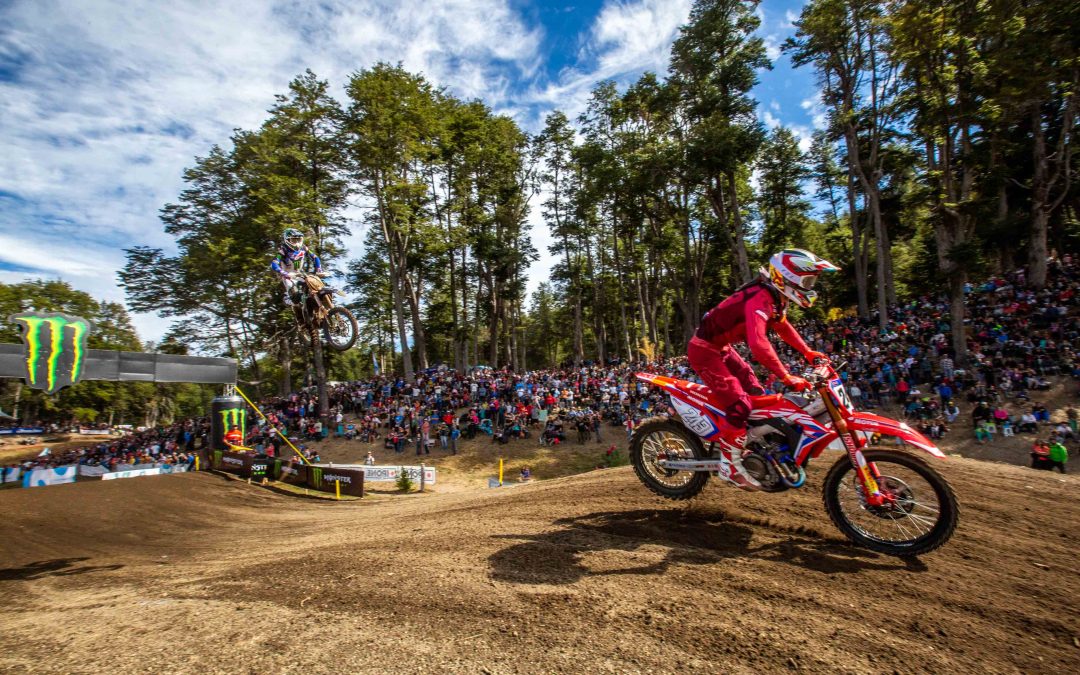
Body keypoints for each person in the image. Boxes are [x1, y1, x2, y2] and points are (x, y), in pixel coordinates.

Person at [686, 249, 838, 490]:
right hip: (704, 350)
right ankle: (729, 466)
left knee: (756, 392)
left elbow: (782, 326)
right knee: (740, 404)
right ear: (786, 278)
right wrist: (786, 376)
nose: (810, 286)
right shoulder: (760, 298)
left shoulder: (775, 297)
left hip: (721, 348)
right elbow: (758, 344)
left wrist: (808, 352)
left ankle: (752, 446)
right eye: (807, 281)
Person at [270, 227, 324, 307]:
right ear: (287, 240)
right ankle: (288, 299)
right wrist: (283, 273)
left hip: (300, 274)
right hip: (288, 276)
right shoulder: (283, 250)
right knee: (296, 298)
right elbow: (274, 264)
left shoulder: (304, 248)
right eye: (294, 240)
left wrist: (319, 269)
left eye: (299, 240)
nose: (297, 243)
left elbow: (315, 257)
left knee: (316, 286)